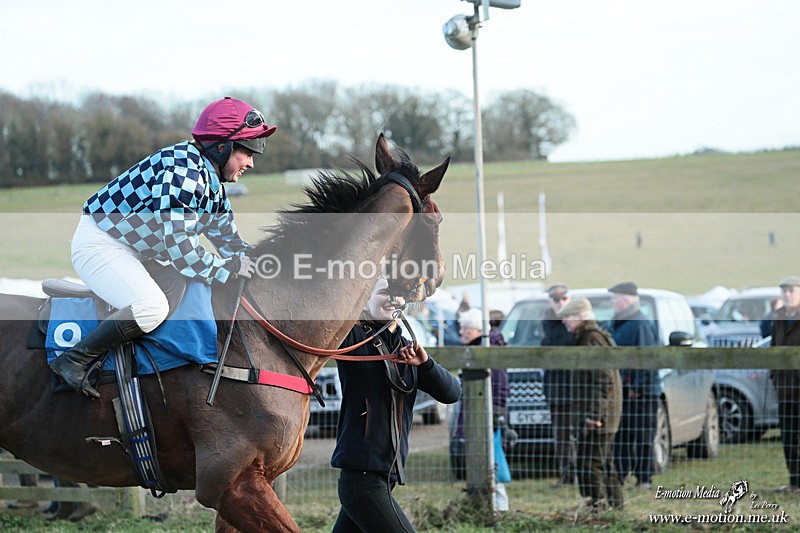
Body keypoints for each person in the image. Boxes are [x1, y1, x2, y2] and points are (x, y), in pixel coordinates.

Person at [49, 97, 275, 398]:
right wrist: (230, 268)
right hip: (101, 244)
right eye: (246, 152)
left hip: (133, 250)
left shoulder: (209, 181)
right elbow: (185, 255)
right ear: (221, 147)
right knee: (151, 307)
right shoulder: (182, 173)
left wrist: (265, 262)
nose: (250, 162)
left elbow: (229, 241)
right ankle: (74, 360)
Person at [331, 277, 461, 532]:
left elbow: (452, 393)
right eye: (384, 292)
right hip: (363, 479)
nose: (393, 299)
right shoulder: (351, 337)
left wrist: (425, 365)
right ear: (365, 301)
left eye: (399, 293)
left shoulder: (407, 350)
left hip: (384, 477)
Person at [557, 297, 623, 511]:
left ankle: (598, 508)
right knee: (603, 463)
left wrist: (595, 415)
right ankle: (614, 507)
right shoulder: (589, 336)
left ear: (581, 316)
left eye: (568, 317)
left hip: (598, 417)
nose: (565, 321)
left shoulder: (591, 338)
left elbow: (603, 379)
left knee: (590, 464)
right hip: (601, 414)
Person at [456, 307, 511, 511]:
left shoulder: (486, 349)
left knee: (491, 461)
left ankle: (499, 507)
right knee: (485, 460)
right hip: (481, 412)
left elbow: (499, 384)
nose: (461, 333)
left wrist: (496, 411)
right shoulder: (476, 348)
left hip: (488, 413)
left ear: (477, 330)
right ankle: (486, 505)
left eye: (465, 329)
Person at [607, 282, 660, 490]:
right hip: (624, 391)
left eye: (615, 298)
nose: (613, 303)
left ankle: (644, 478)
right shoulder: (619, 322)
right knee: (622, 435)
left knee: (643, 435)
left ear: (626, 299)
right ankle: (620, 475)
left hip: (641, 393)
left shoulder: (640, 324)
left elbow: (647, 359)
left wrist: (638, 387)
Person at [541, 283, 577, 487]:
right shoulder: (548, 321)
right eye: (556, 300)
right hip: (556, 387)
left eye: (564, 299)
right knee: (562, 434)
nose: (560, 303)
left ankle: (578, 473)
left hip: (576, 387)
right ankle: (567, 475)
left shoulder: (575, 320)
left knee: (578, 434)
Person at [770, 276, 800, 493]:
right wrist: (775, 377)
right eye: (784, 291)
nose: (787, 295)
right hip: (784, 390)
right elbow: (773, 348)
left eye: (791, 290)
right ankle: (794, 481)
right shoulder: (779, 316)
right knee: (788, 436)